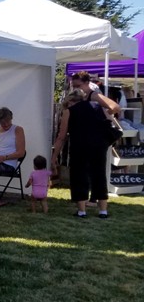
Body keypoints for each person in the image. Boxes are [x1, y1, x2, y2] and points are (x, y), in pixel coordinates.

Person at [51, 88, 121, 218]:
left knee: (79, 176)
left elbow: (61, 136)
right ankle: (103, 211)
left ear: (71, 101)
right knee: (99, 176)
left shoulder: (69, 111)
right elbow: (109, 122)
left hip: (79, 147)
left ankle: (82, 211)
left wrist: (54, 156)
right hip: (99, 146)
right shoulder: (98, 107)